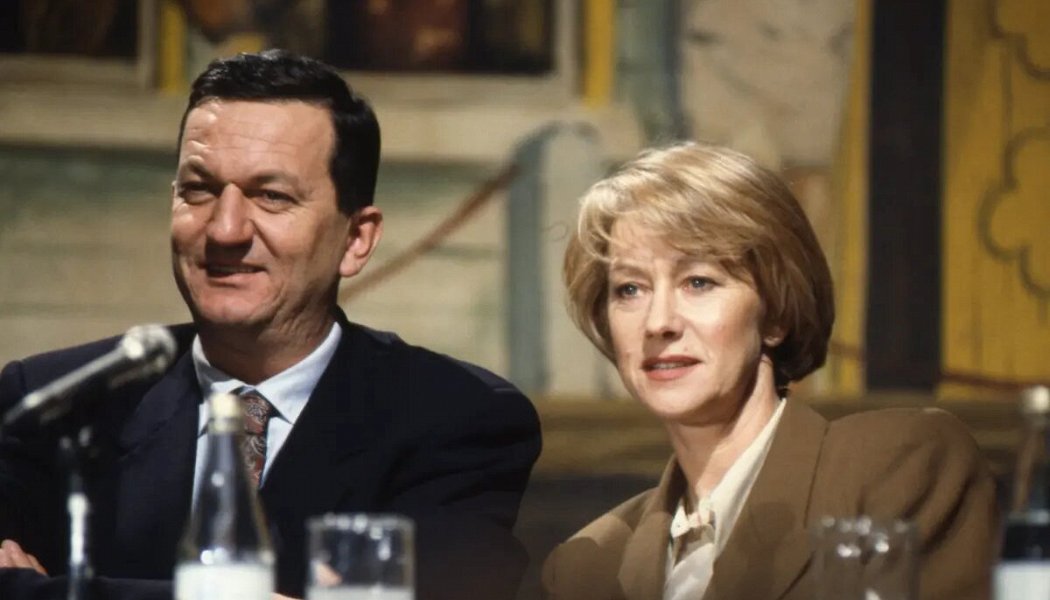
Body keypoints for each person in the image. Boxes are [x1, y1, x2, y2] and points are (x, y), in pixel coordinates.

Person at [0, 49, 540, 600]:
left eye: (272, 196)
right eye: (199, 190)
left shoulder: (458, 420)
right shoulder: (50, 405)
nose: (225, 230)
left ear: (356, 239)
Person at [541, 142, 997, 600]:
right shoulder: (586, 566)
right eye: (629, 289)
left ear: (775, 314)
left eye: (698, 282)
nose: (658, 322)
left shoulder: (897, 467)